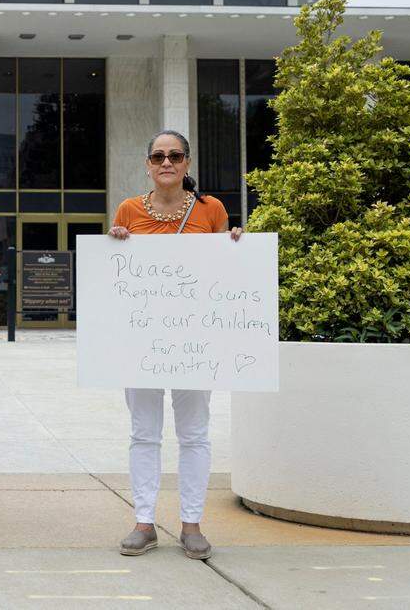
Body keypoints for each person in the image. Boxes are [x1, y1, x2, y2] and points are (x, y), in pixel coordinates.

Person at [110, 129, 242, 561]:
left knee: (194, 434)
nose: (166, 162)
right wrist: (114, 244)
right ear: (147, 164)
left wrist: (236, 244)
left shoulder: (211, 209)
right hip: (143, 341)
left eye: (175, 155)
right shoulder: (128, 210)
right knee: (143, 434)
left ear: (187, 164)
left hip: (194, 340)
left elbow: (226, 273)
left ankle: (191, 524)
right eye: (158, 156)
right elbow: (116, 278)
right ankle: (144, 522)